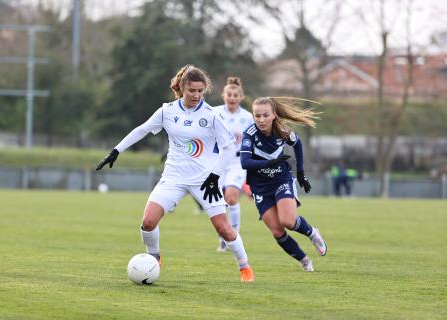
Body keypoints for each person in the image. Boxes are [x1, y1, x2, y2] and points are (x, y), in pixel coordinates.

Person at [96, 65, 254, 282]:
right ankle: (154, 258)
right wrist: (116, 151)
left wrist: (215, 176)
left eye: (200, 91)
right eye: (192, 91)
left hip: (205, 180)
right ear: (182, 88)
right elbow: (141, 129)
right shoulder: (167, 111)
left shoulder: (211, 115)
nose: (196, 95)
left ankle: (245, 267)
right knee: (148, 221)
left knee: (224, 230)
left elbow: (228, 148)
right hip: (173, 178)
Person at [239, 96, 327, 272]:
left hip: (281, 179)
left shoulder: (282, 130)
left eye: (265, 115)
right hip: (260, 187)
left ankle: (312, 234)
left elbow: (298, 143)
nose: (261, 120)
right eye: (257, 116)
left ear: (273, 115)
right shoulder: (249, 134)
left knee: (287, 220)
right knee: (277, 231)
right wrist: (268, 163)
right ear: (253, 116)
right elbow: (245, 162)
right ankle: (304, 260)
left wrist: (300, 174)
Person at [213, 77, 254, 252]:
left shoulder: (247, 117)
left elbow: (254, 141)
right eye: (229, 94)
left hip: (237, 163)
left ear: (241, 97)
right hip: (217, 162)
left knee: (231, 198)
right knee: (217, 202)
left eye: (235, 95)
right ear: (223, 96)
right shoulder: (214, 112)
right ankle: (223, 236)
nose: (232, 97)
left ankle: (233, 237)